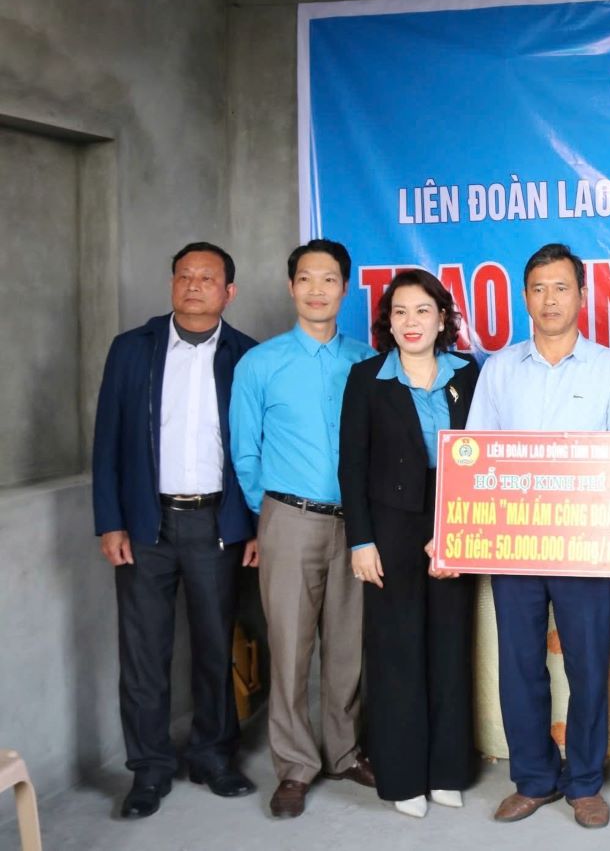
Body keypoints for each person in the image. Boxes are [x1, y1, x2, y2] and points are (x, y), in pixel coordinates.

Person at [466, 243, 610, 830]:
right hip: (515, 545)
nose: (550, 299)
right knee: (519, 665)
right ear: (525, 297)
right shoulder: (498, 368)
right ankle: (534, 778)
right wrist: (458, 535)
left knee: (590, 666)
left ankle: (585, 782)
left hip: (588, 549)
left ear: (582, 296)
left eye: (561, 287)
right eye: (539, 288)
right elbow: (476, 458)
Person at [92, 242, 258, 818]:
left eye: (206, 278)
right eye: (183, 276)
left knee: (216, 646)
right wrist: (110, 520)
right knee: (143, 653)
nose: (193, 285)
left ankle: (213, 756)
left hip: (218, 523)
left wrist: (253, 524)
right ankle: (149, 768)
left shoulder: (246, 356)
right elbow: (108, 439)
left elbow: (255, 450)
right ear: (171, 285)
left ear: (227, 292)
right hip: (145, 523)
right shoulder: (132, 350)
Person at [229, 238, 376, 818]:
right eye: (307, 279)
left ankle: (344, 751)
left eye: (330, 280)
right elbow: (245, 453)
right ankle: (294, 766)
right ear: (292, 288)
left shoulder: (367, 362)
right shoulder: (260, 364)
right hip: (288, 519)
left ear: (346, 288)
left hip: (357, 526)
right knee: (289, 648)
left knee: (348, 649)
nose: (318, 290)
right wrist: (268, 519)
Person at [338, 269, 480, 819]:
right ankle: (401, 778)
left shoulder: (468, 375)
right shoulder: (366, 378)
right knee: (396, 650)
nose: (411, 321)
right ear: (388, 323)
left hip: (454, 517)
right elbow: (351, 465)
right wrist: (361, 541)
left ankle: (447, 770)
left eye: (423, 310)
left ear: (442, 318)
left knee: (449, 644)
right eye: (400, 312)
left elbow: (486, 453)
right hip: (390, 525)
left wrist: (461, 528)